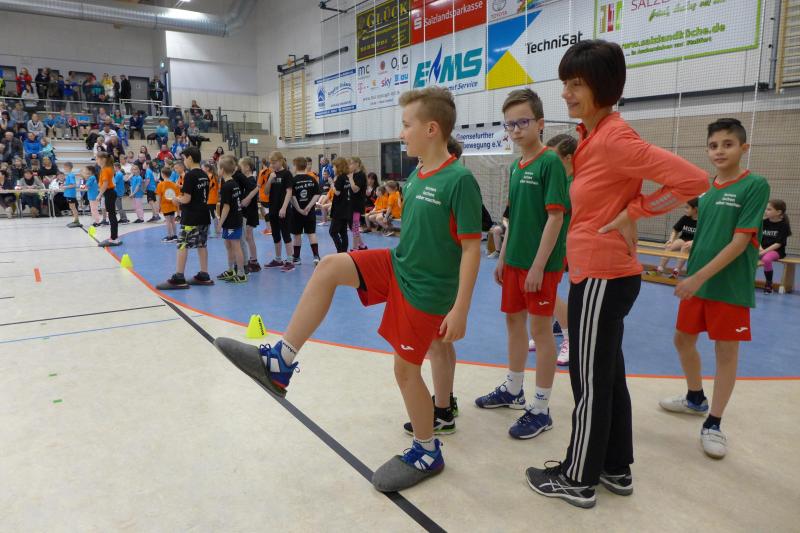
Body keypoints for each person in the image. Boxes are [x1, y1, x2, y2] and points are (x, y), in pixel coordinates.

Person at [213, 86, 483, 492]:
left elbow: (472, 248)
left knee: (405, 370)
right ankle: (281, 362)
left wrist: (460, 308)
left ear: (431, 129)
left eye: (406, 125)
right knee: (330, 267)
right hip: (399, 266)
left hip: (427, 289)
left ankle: (428, 451)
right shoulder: (416, 176)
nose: (401, 133)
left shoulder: (459, 180)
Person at [525, 40, 709, 509]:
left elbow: (694, 181)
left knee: (588, 381)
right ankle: (614, 466)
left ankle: (578, 477)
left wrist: (638, 211)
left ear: (603, 86)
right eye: (565, 83)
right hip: (601, 273)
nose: (566, 93)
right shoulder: (592, 136)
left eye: (576, 84)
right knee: (606, 376)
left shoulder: (614, 138)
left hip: (602, 276)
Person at [660, 118, 771, 461]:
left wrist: (697, 278)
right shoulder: (707, 191)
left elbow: (740, 242)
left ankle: (714, 423)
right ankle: (695, 398)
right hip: (698, 281)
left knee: (726, 352)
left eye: (727, 144)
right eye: (713, 145)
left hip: (729, 286)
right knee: (683, 340)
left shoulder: (755, 185)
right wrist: (686, 263)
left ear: (743, 148)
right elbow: (704, 237)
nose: (719, 151)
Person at [474, 89, 567, 441]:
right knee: (513, 322)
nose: (515, 129)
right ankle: (513, 390)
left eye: (522, 122)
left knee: (541, 332)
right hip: (514, 262)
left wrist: (538, 266)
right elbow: (512, 218)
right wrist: (503, 257)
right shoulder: (516, 166)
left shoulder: (550, 163)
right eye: (509, 124)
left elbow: (555, 218)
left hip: (540, 265)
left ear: (540, 123)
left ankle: (541, 409)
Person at [156, 146, 213, 289]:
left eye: (184, 158)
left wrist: (177, 199)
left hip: (191, 217)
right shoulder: (204, 174)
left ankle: (179, 277)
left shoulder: (190, 175)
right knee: (202, 244)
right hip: (204, 215)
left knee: (182, 244)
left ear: (190, 158)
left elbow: (187, 199)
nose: (184, 161)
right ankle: (204, 274)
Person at [544, 133, 579, 367]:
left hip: (567, 246)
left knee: (549, 293)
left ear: (568, 158)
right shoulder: (559, 179)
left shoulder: (574, 183)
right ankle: (547, 331)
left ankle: (570, 339)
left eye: (554, 157)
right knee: (546, 292)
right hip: (555, 243)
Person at [648, 199, 699, 278]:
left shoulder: (702, 221)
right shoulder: (685, 218)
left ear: (695, 209)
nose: (685, 210)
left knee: (685, 247)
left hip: (696, 242)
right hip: (683, 239)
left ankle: (676, 272)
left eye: (687, 208)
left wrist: (693, 241)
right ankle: (660, 269)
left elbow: (704, 235)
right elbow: (675, 230)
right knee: (669, 246)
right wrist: (671, 240)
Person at [216, 155, 247, 283]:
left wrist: (219, 223)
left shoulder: (227, 186)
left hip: (232, 221)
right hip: (233, 220)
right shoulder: (233, 183)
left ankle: (241, 273)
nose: (217, 170)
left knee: (236, 246)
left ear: (222, 170)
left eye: (218, 168)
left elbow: (226, 207)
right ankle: (230, 270)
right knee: (228, 246)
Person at [288, 157, 321, 265]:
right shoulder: (312, 179)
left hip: (297, 213)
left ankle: (297, 258)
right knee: (311, 233)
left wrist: (299, 209)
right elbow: (317, 194)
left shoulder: (293, 180)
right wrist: (309, 207)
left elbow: (292, 197)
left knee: (297, 234)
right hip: (309, 212)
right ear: (305, 166)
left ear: (296, 166)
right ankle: (316, 256)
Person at [263, 151, 294, 268]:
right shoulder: (271, 175)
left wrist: (284, 208)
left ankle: (290, 260)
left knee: (286, 234)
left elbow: (289, 192)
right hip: (273, 209)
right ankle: (278, 259)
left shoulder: (287, 174)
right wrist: (270, 179)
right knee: (275, 235)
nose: (272, 165)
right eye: (271, 163)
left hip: (283, 210)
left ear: (281, 161)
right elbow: (266, 192)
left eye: (274, 162)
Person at [759, 199, 792, 293]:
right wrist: (760, 248)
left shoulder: (783, 225)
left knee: (766, 259)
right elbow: (757, 237)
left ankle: (769, 284)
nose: (766, 211)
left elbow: (778, 243)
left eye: (769, 209)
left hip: (776, 251)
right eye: (766, 209)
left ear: (778, 212)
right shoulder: (763, 222)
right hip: (761, 249)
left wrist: (763, 252)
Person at [236, 157, 262, 272]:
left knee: (249, 236)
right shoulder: (245, 179)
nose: (239, 168)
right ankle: (252, 259)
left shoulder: (251, 180)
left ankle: (254, 261)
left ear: (247, 167)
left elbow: (251, 196)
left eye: (241, 166)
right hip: (247, 211)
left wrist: (245, 200)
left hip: (250, 212)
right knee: (248, 236)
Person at [95, 152, 121, 247]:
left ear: (103, 160)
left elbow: (105, 184)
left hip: (109, 193)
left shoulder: (105, 169)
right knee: (112, 215)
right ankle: (114, 237)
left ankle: (114, 239)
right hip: (110, 193)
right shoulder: (109, 168)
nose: (96, 161)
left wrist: (99, 195)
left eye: (97, 159)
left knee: (112, 216)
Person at [328, 157, 351, 253]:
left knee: (332, 232)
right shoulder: (346, 177)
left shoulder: (340, 178)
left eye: (334, 166)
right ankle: (344, 252)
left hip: (339, 209)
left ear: (338, 167)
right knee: (343, 232)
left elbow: (337, 192)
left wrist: (331, 183)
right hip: (345, 208)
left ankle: (340, 251)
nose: (333, 168)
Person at [347, 157, 368, 250]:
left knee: (355, 226)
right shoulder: (353, 175)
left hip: (357, 205)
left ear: (357, 164)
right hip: (351, 204)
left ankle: (355, 248)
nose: (349, 166)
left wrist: (350, 178)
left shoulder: (361, 175)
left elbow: (355, 189)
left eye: (351, 164)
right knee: (352, 226)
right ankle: (362, 245)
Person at [156, 167, 180, 242]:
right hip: (173, 205)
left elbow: (159, 197)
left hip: (165, 206)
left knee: (168, 221)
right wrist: (178, 209)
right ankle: (175, 235)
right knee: (172, 220)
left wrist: (158, 206)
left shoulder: (160, 184)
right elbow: (177, 197)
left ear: (162, 174)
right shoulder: (174, 184)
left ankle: (169, 236)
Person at [202, 161, 221, 237]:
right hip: (211, 198)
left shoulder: (210, 176)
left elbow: (209, 187)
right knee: (211, 214)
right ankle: (211, 231)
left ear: (207, 168)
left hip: (210, 198)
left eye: (203, 168)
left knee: (212, 214)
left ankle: (216, 230)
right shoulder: (211, 176)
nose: (202, 169)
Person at [62, 162, 81, 227]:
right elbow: (69, 184)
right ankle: (76, 220)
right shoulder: (69, 175)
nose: (64, 168)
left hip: (70, 194)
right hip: (68, 194)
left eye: (64, 167)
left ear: (68, 167)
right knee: (71, 207)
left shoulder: (71, 175)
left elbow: (74, 185)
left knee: (73, 207)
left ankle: (77, 220)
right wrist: (64, 185)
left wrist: (65, 187)